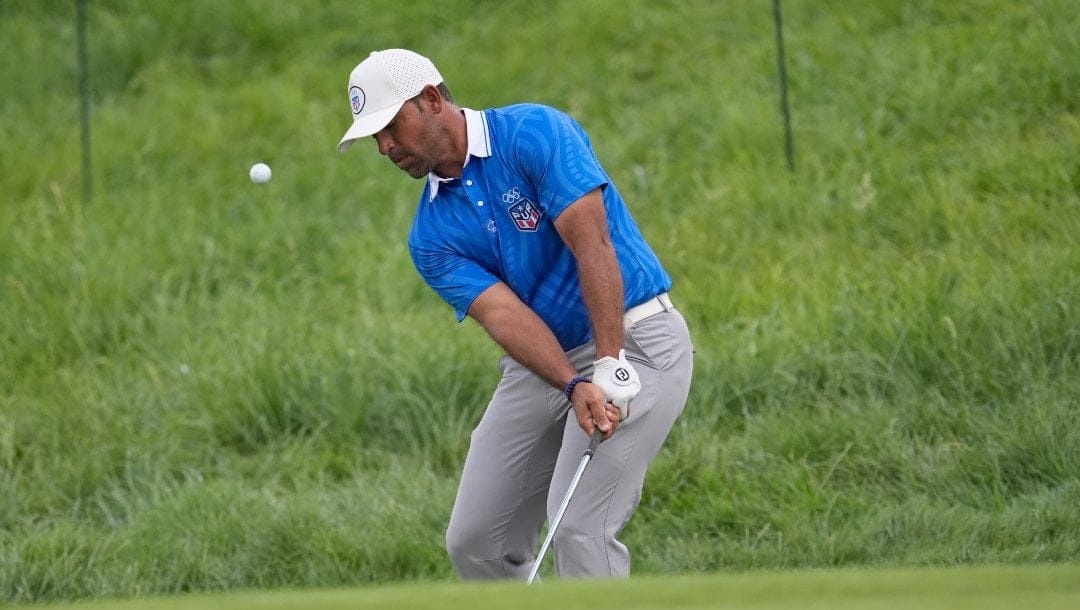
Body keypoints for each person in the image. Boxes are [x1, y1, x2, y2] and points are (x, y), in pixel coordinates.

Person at [336, 49, 694, 580]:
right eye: (375, 137)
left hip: (635, 339)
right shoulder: (430, 235)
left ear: (431, 100)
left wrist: (610, 362)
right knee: (476, 542)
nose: (384, 146)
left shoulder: (534, 132)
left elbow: (593, 244)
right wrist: (573, 384)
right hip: (545, 365)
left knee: (578, 527)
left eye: (390, 126)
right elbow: (504, 317)